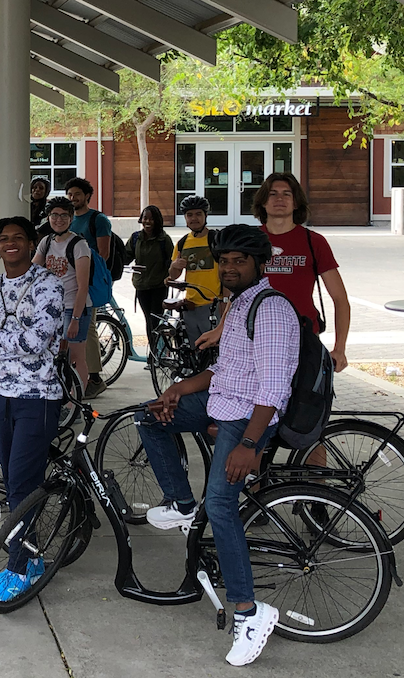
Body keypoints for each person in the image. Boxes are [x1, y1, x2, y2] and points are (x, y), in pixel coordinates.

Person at [135, 224, 298, 667]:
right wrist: (177, 392)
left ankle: (248, 611)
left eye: (239, 261)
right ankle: (182, 503)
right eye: (224, 261)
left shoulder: (270, 310)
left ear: (259, 265)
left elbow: (272, 389)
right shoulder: (239, 303)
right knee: (147, 418)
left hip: (248, 416)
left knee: (223, 506)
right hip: (224, 401)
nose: (229, 268)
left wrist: (249, 445)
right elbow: (224, 372)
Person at [0, 216, 65, 603]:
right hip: (0, 394)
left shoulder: (49, 285)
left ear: (31, 243)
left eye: (18, 239)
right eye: (3, 239)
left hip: (37, 397)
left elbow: (37, 342)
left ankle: (20, 568)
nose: (11, 244)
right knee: (12, 482)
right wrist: (5, 341)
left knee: (23, 484)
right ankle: (32, 555)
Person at [255, 173, 349, 373]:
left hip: (303, 338)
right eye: (272, 194)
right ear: (263, 202)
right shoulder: (249, 241)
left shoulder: (314, 242)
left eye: (286, 194)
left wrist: (339, 349)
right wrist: (221, 331)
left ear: (296, 203)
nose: (279, 199)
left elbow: (340, 299)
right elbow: (232, 297)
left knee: (303, 404)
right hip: (256, 338)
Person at [33, 197, 93, 389]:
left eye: (64, 215)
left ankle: (77, 402)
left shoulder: (79, 245)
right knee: (58, 356)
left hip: (73, 308)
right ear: (48, 217)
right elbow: (32, 271)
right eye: (54, 215)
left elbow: (83, 286)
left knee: (76, 357)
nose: (58, 220)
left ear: (71, 217)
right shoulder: (47, 241)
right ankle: (64, 397)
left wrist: (75, 318)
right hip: (53, 308)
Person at [64, 177, 112, 398]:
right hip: (69, 281)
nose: (73, 198)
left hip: (89, 280)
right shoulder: (69, 220)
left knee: (88, 327)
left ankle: (94, 377)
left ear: (87, 196)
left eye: (77, 194)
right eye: (70, 195)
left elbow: (103, 253)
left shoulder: (98, 219)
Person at [166, 195, 223, 345]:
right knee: (193, 350)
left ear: (205, 216)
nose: (194, 218)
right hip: (190, 305)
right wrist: (175, 267)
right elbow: (173, 275)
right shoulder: (182, 243)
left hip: (213, 304)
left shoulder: (216, 239)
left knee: (214, 350)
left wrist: (225, 302)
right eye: (189, 215)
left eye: (198, 214)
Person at [126, 205, 174, 351]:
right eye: (145, 218)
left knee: (155, 320)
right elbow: (126, 256)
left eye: (151, 219)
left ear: (157, 220)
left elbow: (171, 262)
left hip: (159, 286)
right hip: (141, 286)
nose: (147, 221)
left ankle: (157, 353)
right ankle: (155, 354)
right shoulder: (136, 238)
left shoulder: (163, 239)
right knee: (149, 320)